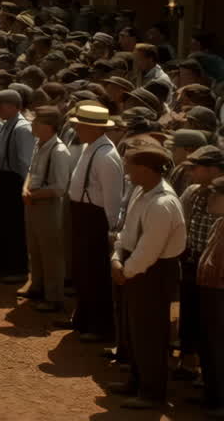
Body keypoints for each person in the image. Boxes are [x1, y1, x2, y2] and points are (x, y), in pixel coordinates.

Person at [106, 139, 185, 410]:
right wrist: (117, 258)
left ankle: (152, 394)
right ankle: (136, 381)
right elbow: (127, 233)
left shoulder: (163, 203)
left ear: (146, 169)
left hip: (153, 274)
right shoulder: (141, 192)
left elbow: (149, 250)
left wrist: (125, 270)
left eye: (130, 165)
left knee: (150, 333)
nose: (126, 170)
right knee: (135, 330)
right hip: (135, 268)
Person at [56, 103, 125, 342]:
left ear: (95, 128)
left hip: (96, 219)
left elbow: (113, 198)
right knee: (82, 270)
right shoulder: (90, 147)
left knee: (95, 273)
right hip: (82, 214)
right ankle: (83, 318)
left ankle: (99, 326)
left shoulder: (106, 156)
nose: (76, 130)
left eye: (81, 126)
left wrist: (111, 230)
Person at [177, 146, 224, 384]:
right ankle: (188, 363)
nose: (191, 172)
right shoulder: (194, 192)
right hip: (193, 261)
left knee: (212, 323)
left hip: (217, 270)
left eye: (196, 167)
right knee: (190, 314)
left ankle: (210, 376)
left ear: (214, 169)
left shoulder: (221, 196)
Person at [22, 106, 72, 312]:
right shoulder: (39, 144)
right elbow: (30, 171)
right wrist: (25, 189)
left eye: (36, 121)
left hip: (49, 206)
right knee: (34, 248)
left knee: (51, 253)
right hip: (33, 202)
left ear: (49, 126)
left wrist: (33, 195)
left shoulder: (59, 151)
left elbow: (60, 188)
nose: (32, 124)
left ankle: (54, 297)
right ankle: (37, 287)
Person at [0, 88, 33, 283]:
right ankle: (2, 264)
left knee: (15, 226)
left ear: (13, 106)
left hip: (15, 181)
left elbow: (26, 162)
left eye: (0, 106)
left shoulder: (22, 128)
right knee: (1, 224)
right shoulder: (5, 124)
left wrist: (25, 187)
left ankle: (18, 269)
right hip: (1, 178)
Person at [196, 177, 224, 418]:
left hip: (220, 295)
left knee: (218, 347)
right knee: (208, 345)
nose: (210, 199)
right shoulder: (219, 223)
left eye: (216, 194)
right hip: (210, 292)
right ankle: (212, 395)